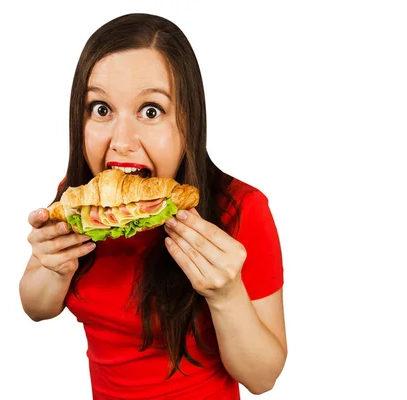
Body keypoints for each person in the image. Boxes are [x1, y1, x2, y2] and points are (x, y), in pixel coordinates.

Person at [19, 13, 286, 400]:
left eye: (151, 110)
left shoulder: (241, 209)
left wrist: (226, 296)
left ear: (189, 120)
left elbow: (263, 378)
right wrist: (52, 268)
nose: (122, 140)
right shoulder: (80, 200)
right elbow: (37, 307)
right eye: (101, 108)